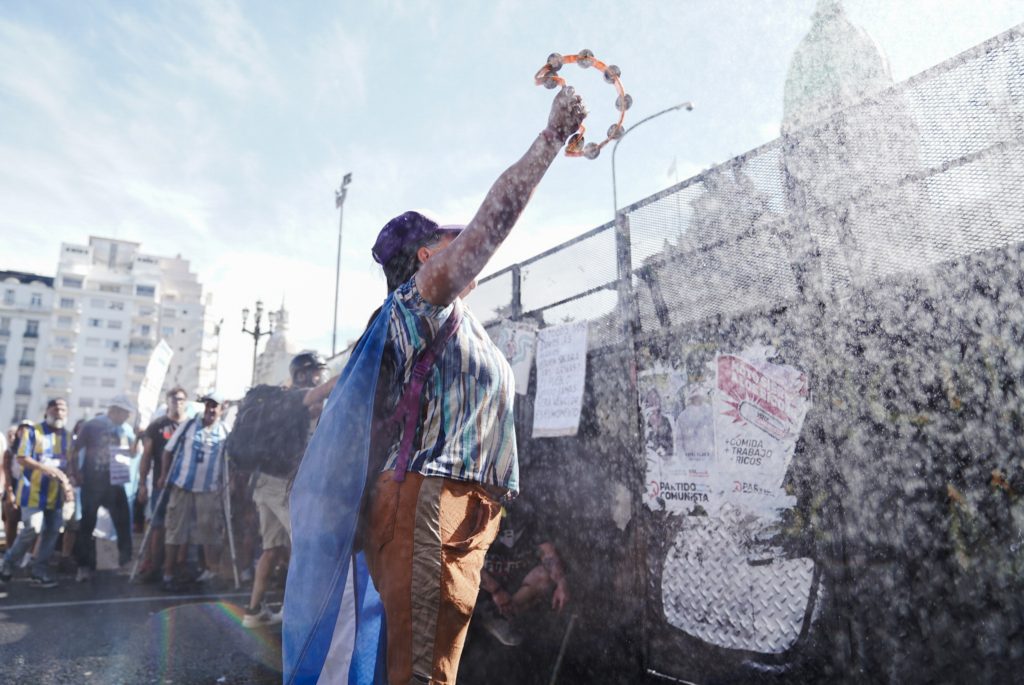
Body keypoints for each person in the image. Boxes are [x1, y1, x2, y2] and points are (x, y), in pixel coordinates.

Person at [285, 86, 588, 684]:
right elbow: (491, 226)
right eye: (455, 240)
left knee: (431, 666)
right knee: (423, 673)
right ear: (427, 256)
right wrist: (551, 138)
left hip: (463, 510)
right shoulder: (418, 302)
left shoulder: (458, 323)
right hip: (427, 501)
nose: (470, 245)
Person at [243, 352, 333, 628]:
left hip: (266, 483)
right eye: (317, 373)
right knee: (305, 545)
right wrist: (359, 364)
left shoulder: (287, 404)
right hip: (280, 485)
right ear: (303, 375)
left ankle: (254, 611)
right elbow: (318, 394)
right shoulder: (292, 396)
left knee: (272, 549)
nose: (321, 378)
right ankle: (297, 613)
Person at [157, 391, 229, 592]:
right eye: (208, 405)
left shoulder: (225, 431)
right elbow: (168, 450)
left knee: (209, 531)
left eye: (215, 406)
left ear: (222, 409)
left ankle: (210, 570)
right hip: (182, 486)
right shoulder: (188, 425)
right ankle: (168, 573)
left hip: (208, 489)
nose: (210, 410)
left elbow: (229, 460)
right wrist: (164, 475)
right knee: (175, 530)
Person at [476, 497, 570, 646]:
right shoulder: (480, 513)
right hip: (484, 585)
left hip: (512, 584)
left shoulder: (528, 512)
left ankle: (505, 615)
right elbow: (466, 561)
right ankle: (482, 616)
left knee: (544, 577)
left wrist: (561, 582)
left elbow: (548, 552)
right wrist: (495, 590)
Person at [0, 400, 74, 589]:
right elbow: (22, 458)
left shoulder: (68, 437)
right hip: (32, 493)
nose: (59, 412)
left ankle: (38, 571)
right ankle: (6, 565)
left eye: (63, 409)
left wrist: (69, 484)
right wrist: (46, 469)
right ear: (47, 410)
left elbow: (70, 464)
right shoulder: (33, 432)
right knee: (32, 528)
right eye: (55, 408)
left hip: (56, 496)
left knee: (52, 532)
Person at [69, 395, 136, 581]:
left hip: (115, 482)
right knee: (87, 524)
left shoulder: (127, 429)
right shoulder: (92, 425)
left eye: (128, 413)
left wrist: (138, 437)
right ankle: (84, 565)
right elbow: (74, 449)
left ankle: (125, 562)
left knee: (123, 522)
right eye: (124, 412)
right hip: (92, 481)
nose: (126, 417)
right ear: (114, 410)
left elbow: (133, 453)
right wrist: (75, 472)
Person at [134, 387, 189, 582]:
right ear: (168, 401)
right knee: (157, 525)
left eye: (181, 399)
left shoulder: (191, 425)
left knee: (180, 527)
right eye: (174, 399)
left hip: (184, 484)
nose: (178, 403)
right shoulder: (157, 426)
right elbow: (146, 456)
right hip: (161, 483)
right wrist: (142, 484)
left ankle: (175, 567)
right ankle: (153, 565)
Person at [2, 422, 32, 548]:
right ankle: (10, 549)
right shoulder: (10, 452)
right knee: (11, 520)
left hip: (30, 489)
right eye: (22, 430)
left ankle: (25, 553)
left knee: (30, 525)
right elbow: (8, 472)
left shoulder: (34, 451)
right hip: (14, 487)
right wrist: (10, 493)